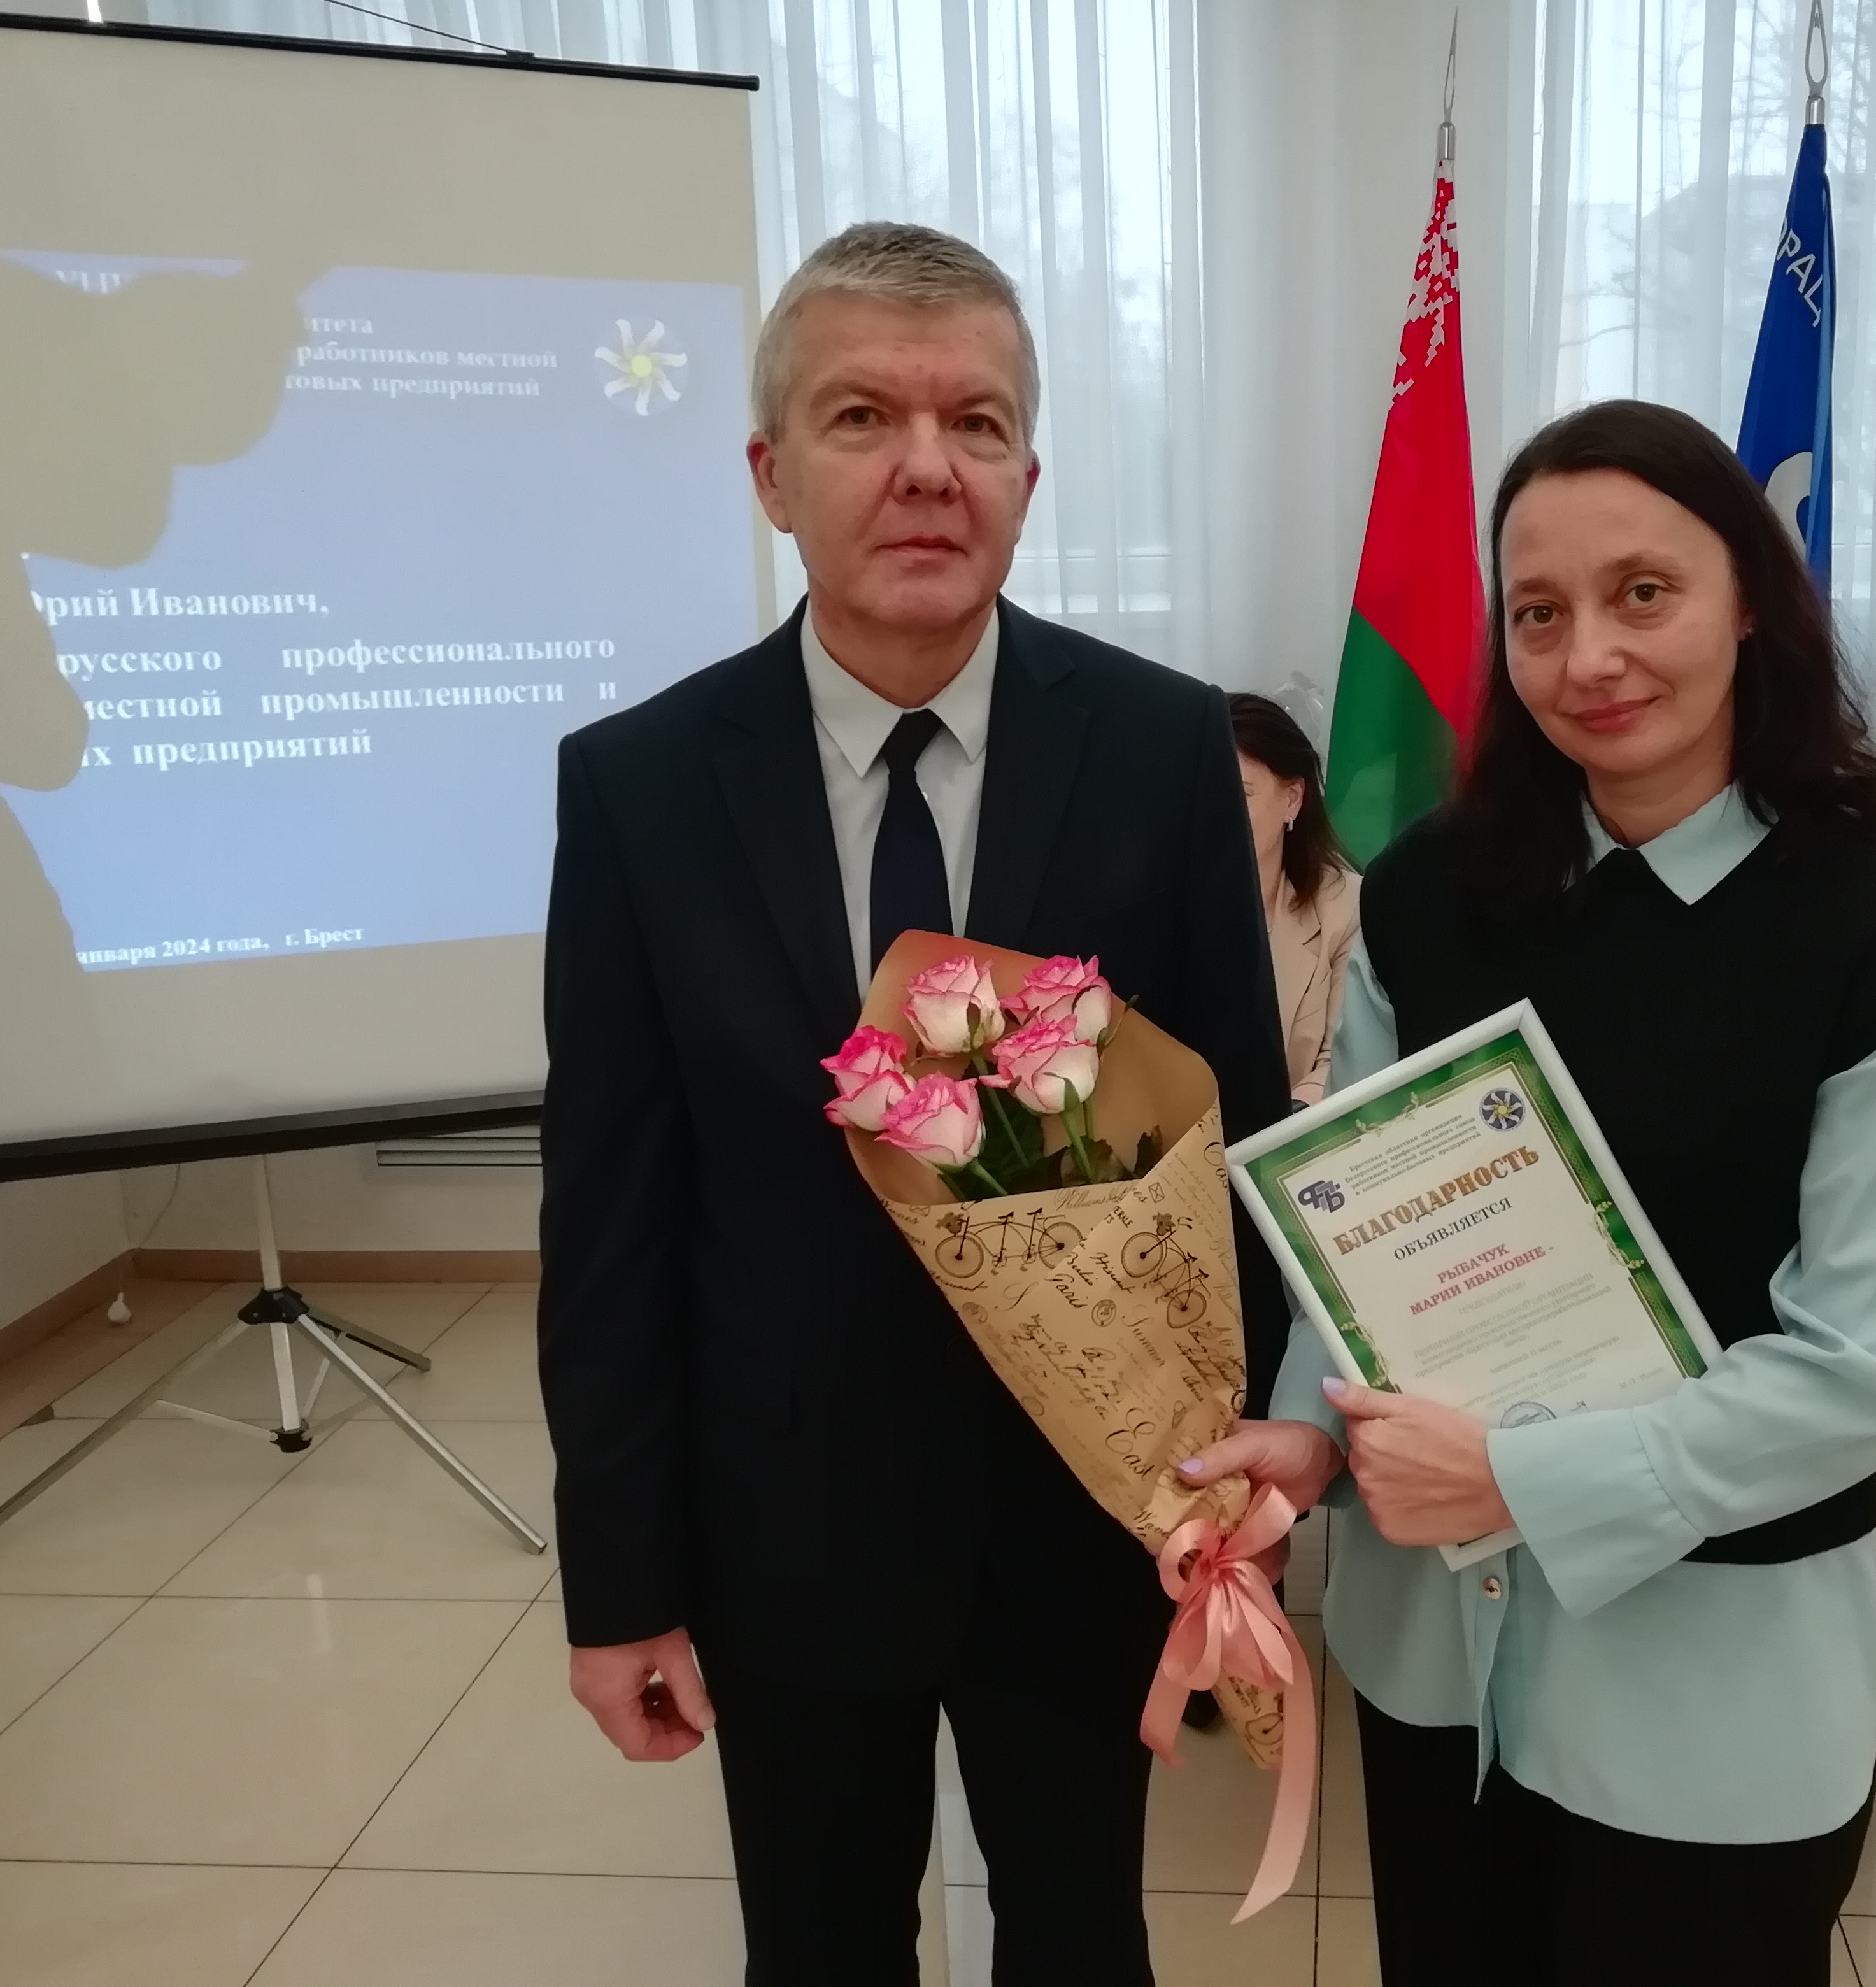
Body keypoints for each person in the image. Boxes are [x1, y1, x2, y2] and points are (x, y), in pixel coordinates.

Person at [536, 221, 1293, 1987]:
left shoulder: (1164, 747)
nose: (928, 466)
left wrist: (1227, 1482)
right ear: (771, 474)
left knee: (1083, 1940)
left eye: (978, 422)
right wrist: (621, 1579)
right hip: (782, 1525)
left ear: (1030, 476)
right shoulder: (641, 786)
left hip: (1092, 1522)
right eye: (864, 416)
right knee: (819, 1949)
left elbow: (1233, 1145)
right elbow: (613, 1214)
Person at [1184, 399, 1876, 1985]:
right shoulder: (1429, 893)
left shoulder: (1875, 944)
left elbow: (1864, 1367)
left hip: (1712, 1685)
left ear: (1749, 601)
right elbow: (1358, 1232)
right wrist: (1310, 1441)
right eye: (1539, 613)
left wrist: (1519, 1476)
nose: (1590, 656)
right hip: (1440, 1659)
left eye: (1644, 593)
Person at [1230, 690, 1360, 1105]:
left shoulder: (1347, 907)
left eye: (1240, 793)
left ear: (1292, 799)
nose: (1216, 812)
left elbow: (1345, 1062)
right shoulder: (1156, 904)